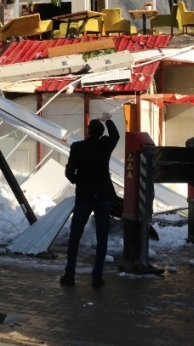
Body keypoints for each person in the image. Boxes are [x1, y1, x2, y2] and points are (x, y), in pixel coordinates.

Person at [61, 112, 120, 288]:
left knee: (75, 237)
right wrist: (107, 120)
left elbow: (69, 173)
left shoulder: (78, 147)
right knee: (102, 239)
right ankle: (97, 278)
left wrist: (81, 182)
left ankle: (70, 275)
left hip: (84, 197)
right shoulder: (105, 145)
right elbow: (116, 135)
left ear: (88, 131)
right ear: (101, 133)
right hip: (102, 197)